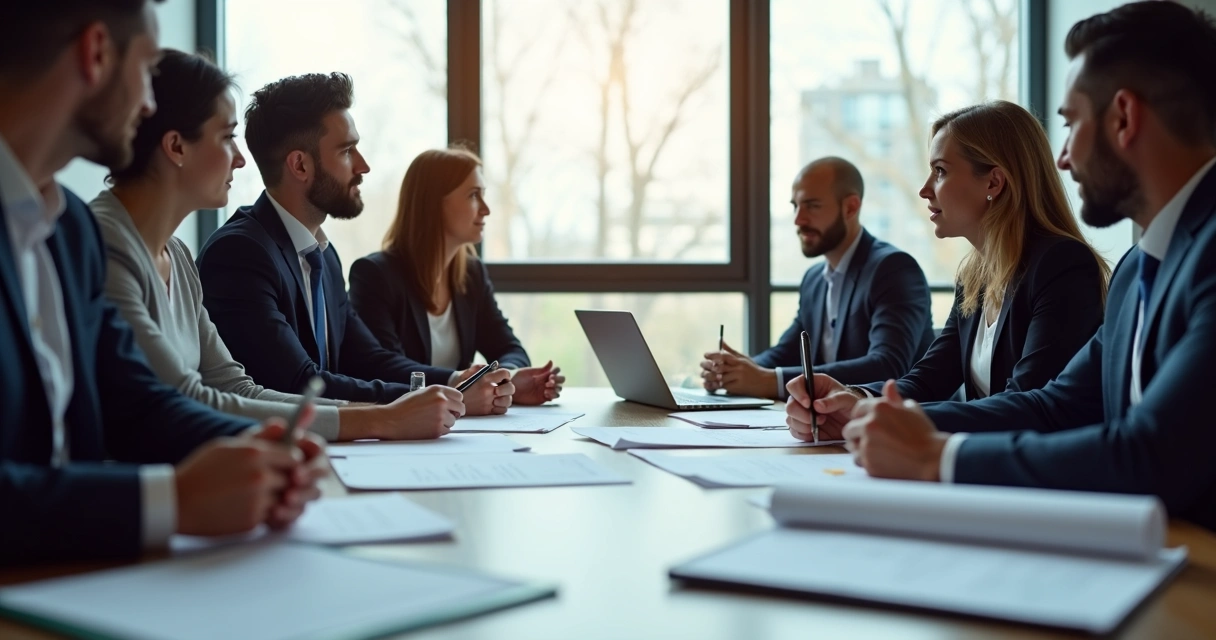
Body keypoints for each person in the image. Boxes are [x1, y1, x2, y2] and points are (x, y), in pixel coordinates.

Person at [786, 1, 1216, 530]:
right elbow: (1054, 406)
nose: (1062, 157)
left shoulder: (1169, 258)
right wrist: (871, 411)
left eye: (1071, 122)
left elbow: (1153, 454)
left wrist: (937, 457)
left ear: (1124, 118)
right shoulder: (1135, 270)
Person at [0, 1, 326, 564]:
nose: (149, 104)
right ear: (96, 53)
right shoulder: (99, 236)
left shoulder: (67, 230)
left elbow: (137, 401)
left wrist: (260, 454)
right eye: (146, 69)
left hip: (79, 579)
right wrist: (170, 501)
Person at [91, 50, 463, 442]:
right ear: (177, 147)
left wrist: (386, 412)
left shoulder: (178, 257)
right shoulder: (105, 244)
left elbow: (235, 388)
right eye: (227, 137)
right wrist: (378, 420)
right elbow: (186, 397)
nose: (239, 159)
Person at [786, 101, 1110, 439]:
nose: (925, 189)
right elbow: (929, 379)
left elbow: (1030, 404)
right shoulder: (975, 276)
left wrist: (882, 416)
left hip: (1037, 480)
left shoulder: (1062, 266)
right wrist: (854, 397)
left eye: (940, 171)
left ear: (994, 183)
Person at [196, 73, 512, 415]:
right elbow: (298, 384)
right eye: (347, 151)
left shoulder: (324, 256)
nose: (363, 166)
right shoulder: (241, 254)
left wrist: (455, 382)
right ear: (300, 164)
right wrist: (436, 400)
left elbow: (368, 359)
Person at [702, 157, 934, 400]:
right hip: (832, 424)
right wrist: (734, 371)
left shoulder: (894, 269)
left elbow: (887, 366)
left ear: (851, 208)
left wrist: (769, 381)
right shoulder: (814, 279)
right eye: (795, 206)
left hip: (900, 427)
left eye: (811, 206)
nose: (798, 220)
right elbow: (786, 353)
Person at [349, 146, 564, 405]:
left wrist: (508, 379)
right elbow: (382, 366)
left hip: (457, 426)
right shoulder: (375, 275)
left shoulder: (471, 274)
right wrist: (462, 380)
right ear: (433, 202)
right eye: (474, 195)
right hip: (401, 425)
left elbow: (509, 348)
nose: (486, 209)